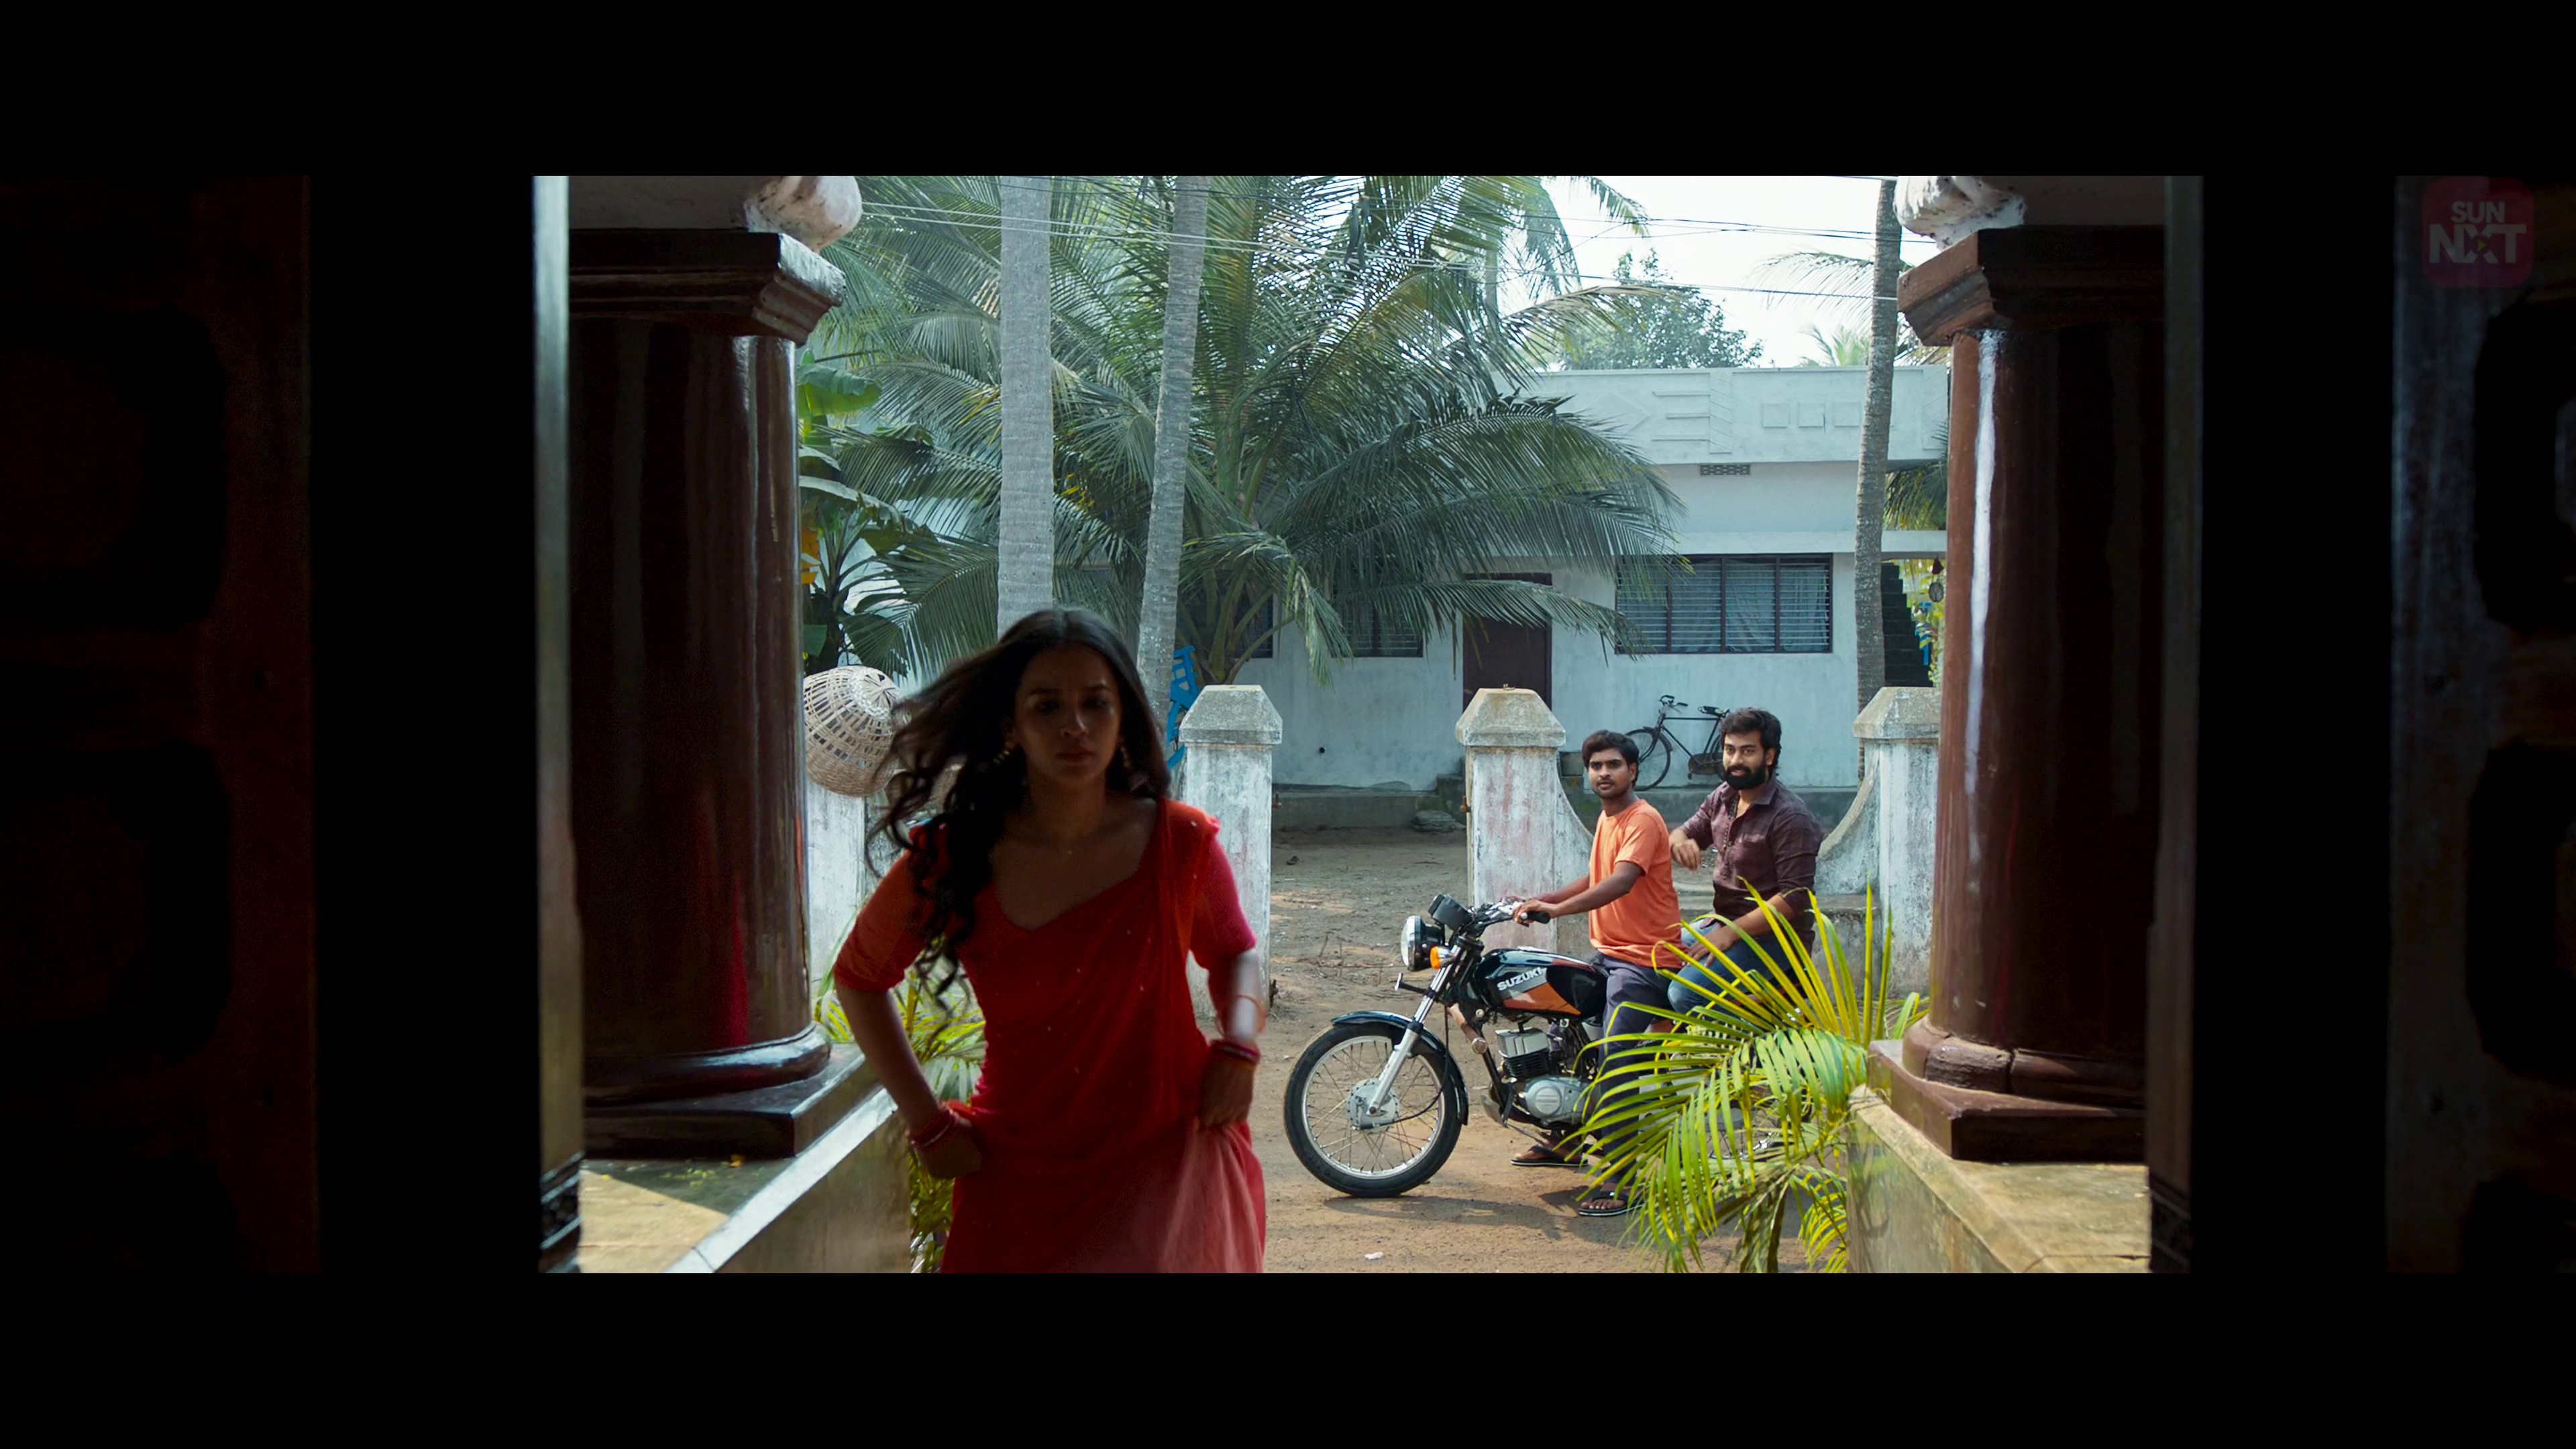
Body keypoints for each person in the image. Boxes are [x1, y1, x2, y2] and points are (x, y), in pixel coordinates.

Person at [830, 608, 1269, 1273]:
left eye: (1096, 703)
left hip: (1167, 1170)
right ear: (1010, 725)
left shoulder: (1178, 844)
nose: (1075, 725)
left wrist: (1238, 1049)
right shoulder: (950, 857)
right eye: (1047, 706)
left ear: (1123, 717)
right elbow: (859, 977)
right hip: (1014, 1179)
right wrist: (927, 1123)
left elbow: (1234, 951)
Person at [1507, 729, 1680, 1217]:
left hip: (1646, 962)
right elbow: (1597, 877)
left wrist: (1556, 912)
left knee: (1616, 1059)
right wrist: (1543, 898)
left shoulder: (1642, 819)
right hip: (1609, 954)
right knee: (1560, 1030)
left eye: (1613, 765)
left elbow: (1621, 883)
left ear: (1633, 771)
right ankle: (1566, 1140)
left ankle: (1625, 1179)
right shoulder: (1608, 819)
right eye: (1596, 766)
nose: (1604, 773)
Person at [1665, 707, 1825, 1016]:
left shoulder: (1791, 816)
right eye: (1730, 750)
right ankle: (1664, 1039)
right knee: (1655, 963)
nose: (1736, 760)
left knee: (1684, 993)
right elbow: (1685, 832)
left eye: (1747, 751)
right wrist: (1680, 842)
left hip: (1775, 940)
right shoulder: (1724, 796)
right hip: (1723, 922)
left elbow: (1795, 897)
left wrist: (1730, 934)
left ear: (1769, 756)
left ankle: (1763, 1034)